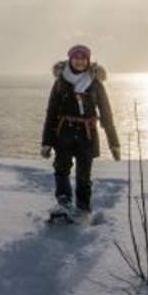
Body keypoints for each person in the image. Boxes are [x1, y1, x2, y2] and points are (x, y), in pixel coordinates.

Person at [39, 43, 121, 218]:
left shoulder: (96, 84)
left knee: (84, 175)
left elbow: (106, 115)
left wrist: (114, 144)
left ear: (88, 60)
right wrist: (46, 142)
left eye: (83, 58)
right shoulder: (60, 82)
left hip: (87, 135)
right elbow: (51, 113)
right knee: (61, 170)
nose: (79, 61)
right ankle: (64, 204)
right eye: (76, 57)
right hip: (63, 134)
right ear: (70, 59)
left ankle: (83, 209)